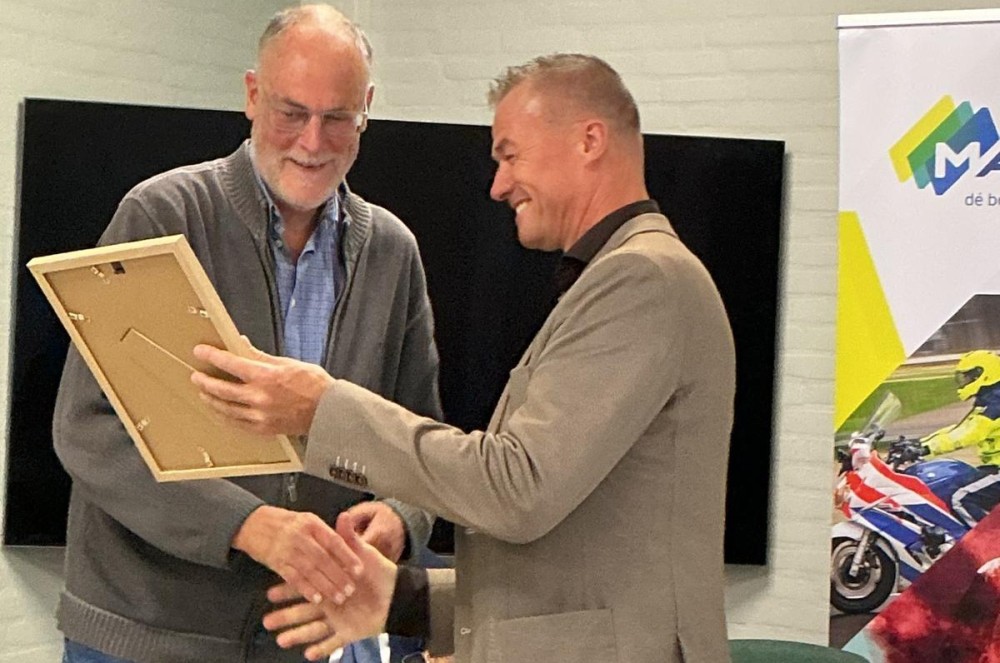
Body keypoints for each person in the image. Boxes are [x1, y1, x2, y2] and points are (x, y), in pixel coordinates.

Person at [193, 53, 736, 663]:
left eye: (510, 155)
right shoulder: (625, 277)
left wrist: (322, 410)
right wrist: (405, 600)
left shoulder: (642, 278)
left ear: (589, 141)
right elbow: (587, 571)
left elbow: (517, 489)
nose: (498, 186)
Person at [52, 5, 440, 663]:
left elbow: (420, 435)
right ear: (253, 95)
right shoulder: (161, 214)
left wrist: (403, 517)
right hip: (144, 636)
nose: (313, 141)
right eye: (292, 112)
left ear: (367, 111)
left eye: (337, 117)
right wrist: (248, 525)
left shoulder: (392, 252)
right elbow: (89, 429)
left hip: (300, 637)